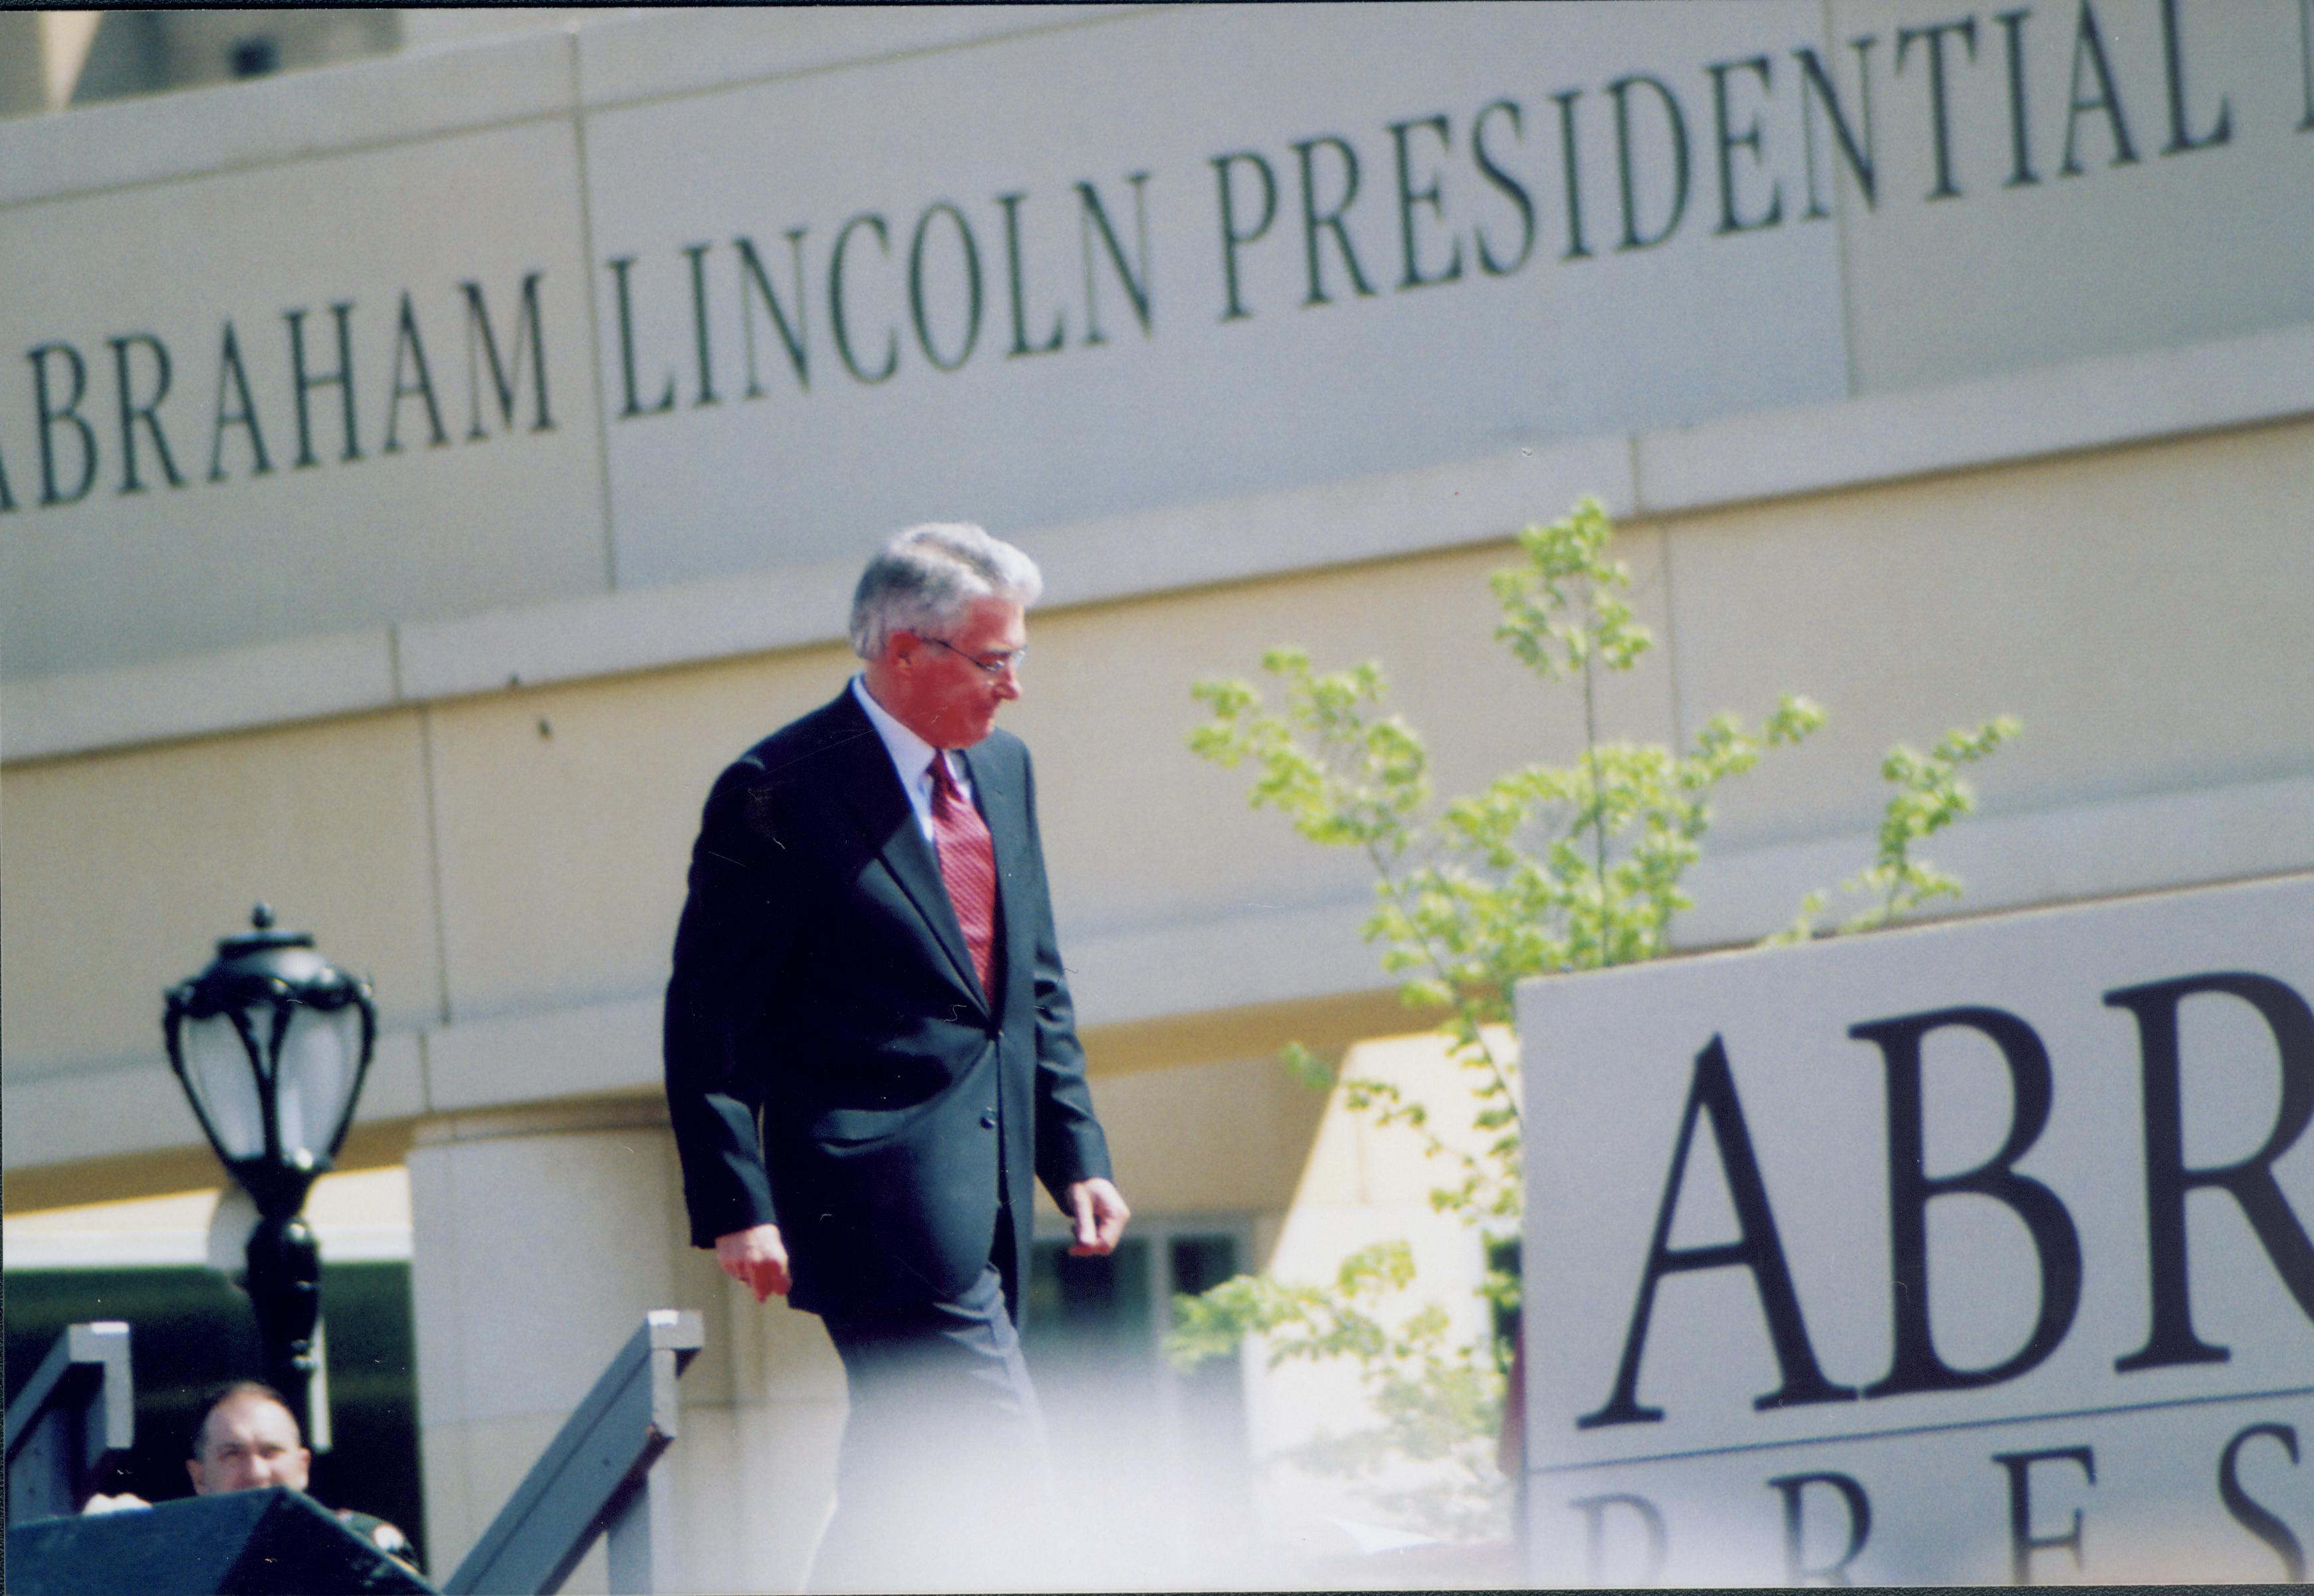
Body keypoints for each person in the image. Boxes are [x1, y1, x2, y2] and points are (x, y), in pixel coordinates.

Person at [663, 522, 1129, 1590]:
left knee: (895, 1486)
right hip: (868, 1197)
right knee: (999, 1467)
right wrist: (737, 1201)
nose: (1013, 689)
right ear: (906, 651)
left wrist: (1077, 1152)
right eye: (994, 660)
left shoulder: (1003, 771)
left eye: (1018, 658)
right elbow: (710, 1014)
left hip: (993, 1190)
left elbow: (1030, 984)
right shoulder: (776, 787)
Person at [86, 1380, 417, 1571]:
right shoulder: (177, 1564)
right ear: (199, 1477)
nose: (257, 1472)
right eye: (233, 1454)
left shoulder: (359, 1545)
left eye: (271, 1452)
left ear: (303, 1466)